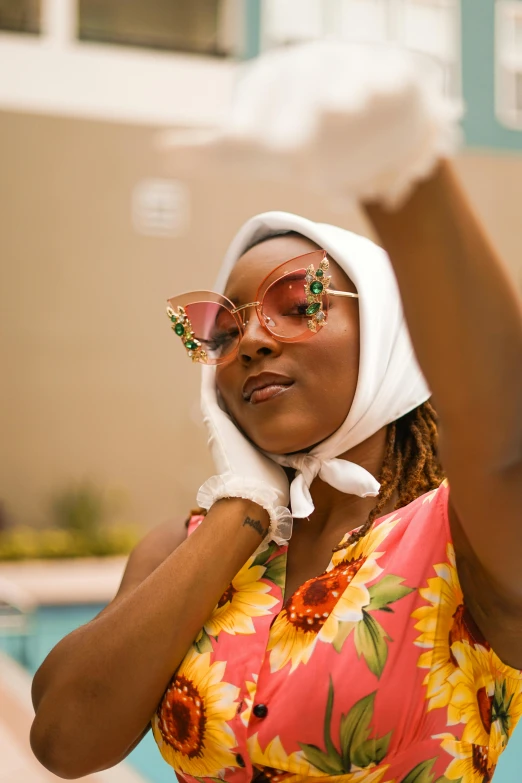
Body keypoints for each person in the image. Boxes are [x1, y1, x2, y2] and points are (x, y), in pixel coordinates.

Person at [30, 43, 522, 783]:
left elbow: (506, 442)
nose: (251, 340)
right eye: (223, 331)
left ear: (390, 335)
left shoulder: (467, 535)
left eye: (299, 303)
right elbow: (64, 740)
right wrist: (246, 507)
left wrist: (405, 181)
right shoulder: (178, 549)